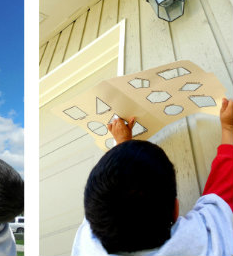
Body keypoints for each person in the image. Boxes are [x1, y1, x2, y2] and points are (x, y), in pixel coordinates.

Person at [72, 98, 233, 256]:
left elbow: (115, 199)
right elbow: (223, 190)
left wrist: (122, 143)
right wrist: (229, 128)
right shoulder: (209, 243)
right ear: (176, 209)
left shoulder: (87, 243)